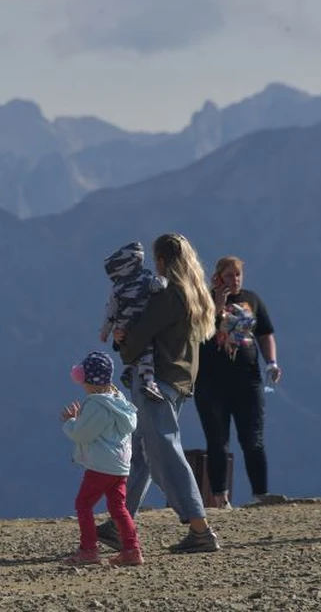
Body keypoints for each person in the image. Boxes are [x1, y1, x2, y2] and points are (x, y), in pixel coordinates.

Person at [96, 233, 221, 553]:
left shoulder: (169, 296)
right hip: (178, 381)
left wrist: (122, 339)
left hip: (156, 382)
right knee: (142, 454)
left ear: (163, 261)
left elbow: (140, 336)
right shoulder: (195, 294)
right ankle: (119, 523)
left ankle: (199, 528)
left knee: (164, 452)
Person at [194, 256, 283, 508]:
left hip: (248, 378)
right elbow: (197, 332)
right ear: (218, 276)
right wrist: (217, 303)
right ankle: (220, 497)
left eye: (238, 275)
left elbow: (265, 333)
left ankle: (260, 494)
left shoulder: (252, 299)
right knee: (217, 440)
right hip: (212, 381)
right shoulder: (203, 300)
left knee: (253, 438)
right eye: (229, 275)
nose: (234, 280)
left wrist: (272, 362)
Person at [61, 351, 143, 567]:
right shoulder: (119, 401)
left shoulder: (96, 405)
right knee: (119, 507)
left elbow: (82, 434)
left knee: (83, 504)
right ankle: (131, 549)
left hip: (101, 466)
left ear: (88, 380)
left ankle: (89, 549)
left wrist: (70, 422)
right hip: (121, 466)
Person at [100, 241, 168, 400]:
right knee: (147, 351)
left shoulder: (117, 287)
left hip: (123, 325)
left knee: (136, 348)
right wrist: (165, 279)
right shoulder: (146, 277)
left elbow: (110, 311)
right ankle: (149, 382)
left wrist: (105, 332)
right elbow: (158, 285)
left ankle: (131, 370)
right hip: (139, 323)